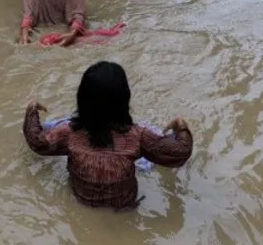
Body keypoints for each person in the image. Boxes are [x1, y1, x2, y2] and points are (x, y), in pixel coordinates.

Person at [22, 61, 193, 210]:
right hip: (125, 211)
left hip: (80, 205)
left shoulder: (68, 134)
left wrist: (31, 110)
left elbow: (37, 141)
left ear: (82, 99)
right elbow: (180, 152)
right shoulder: (137, 137)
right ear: (124, 100)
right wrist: (181, 126)